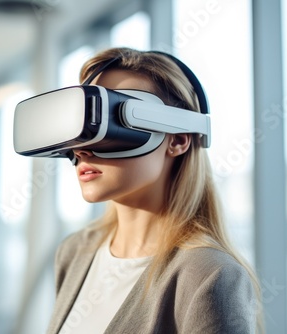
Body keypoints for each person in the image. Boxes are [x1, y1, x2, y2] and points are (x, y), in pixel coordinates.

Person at [44, 48, 263, 334]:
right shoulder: (75, 251)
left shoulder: (209, 275)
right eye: (85, 124)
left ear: (178, 139)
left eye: (110, 121)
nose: (81, 148)